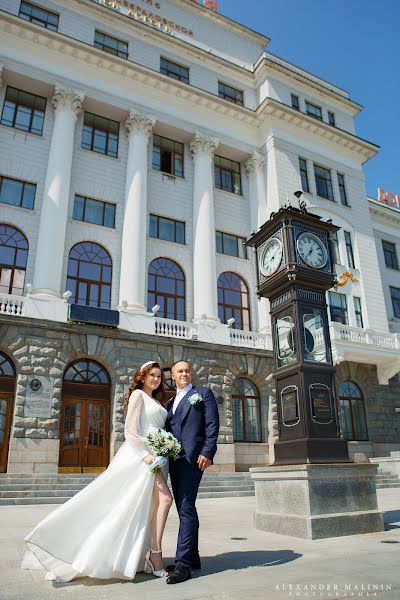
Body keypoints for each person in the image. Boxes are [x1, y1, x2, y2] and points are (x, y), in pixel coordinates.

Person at [22, 361, 173, 582]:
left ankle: (140, 556)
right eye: (152, 375)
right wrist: (146, 455)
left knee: (145, 508)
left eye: (159, 376)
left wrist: (163, 448)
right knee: (166, 500)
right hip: (143, 458)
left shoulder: (155, 400)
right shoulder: (138, 396)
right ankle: (155, 556)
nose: (156, 379)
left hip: (157, 457)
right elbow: (130, 431)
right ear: (142, 377)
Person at [165, 360, 220, 585]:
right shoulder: (170, 402)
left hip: (193, 459)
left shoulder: (203, 394)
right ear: (173, 376)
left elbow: (212, 425)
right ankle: (193, 557)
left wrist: (208, 451)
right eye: (180, 371)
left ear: (191, 373)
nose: (184, 373)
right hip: (173, 460)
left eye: (188, 370)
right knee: (185, 509)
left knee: (186, 508)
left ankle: (183, 566)